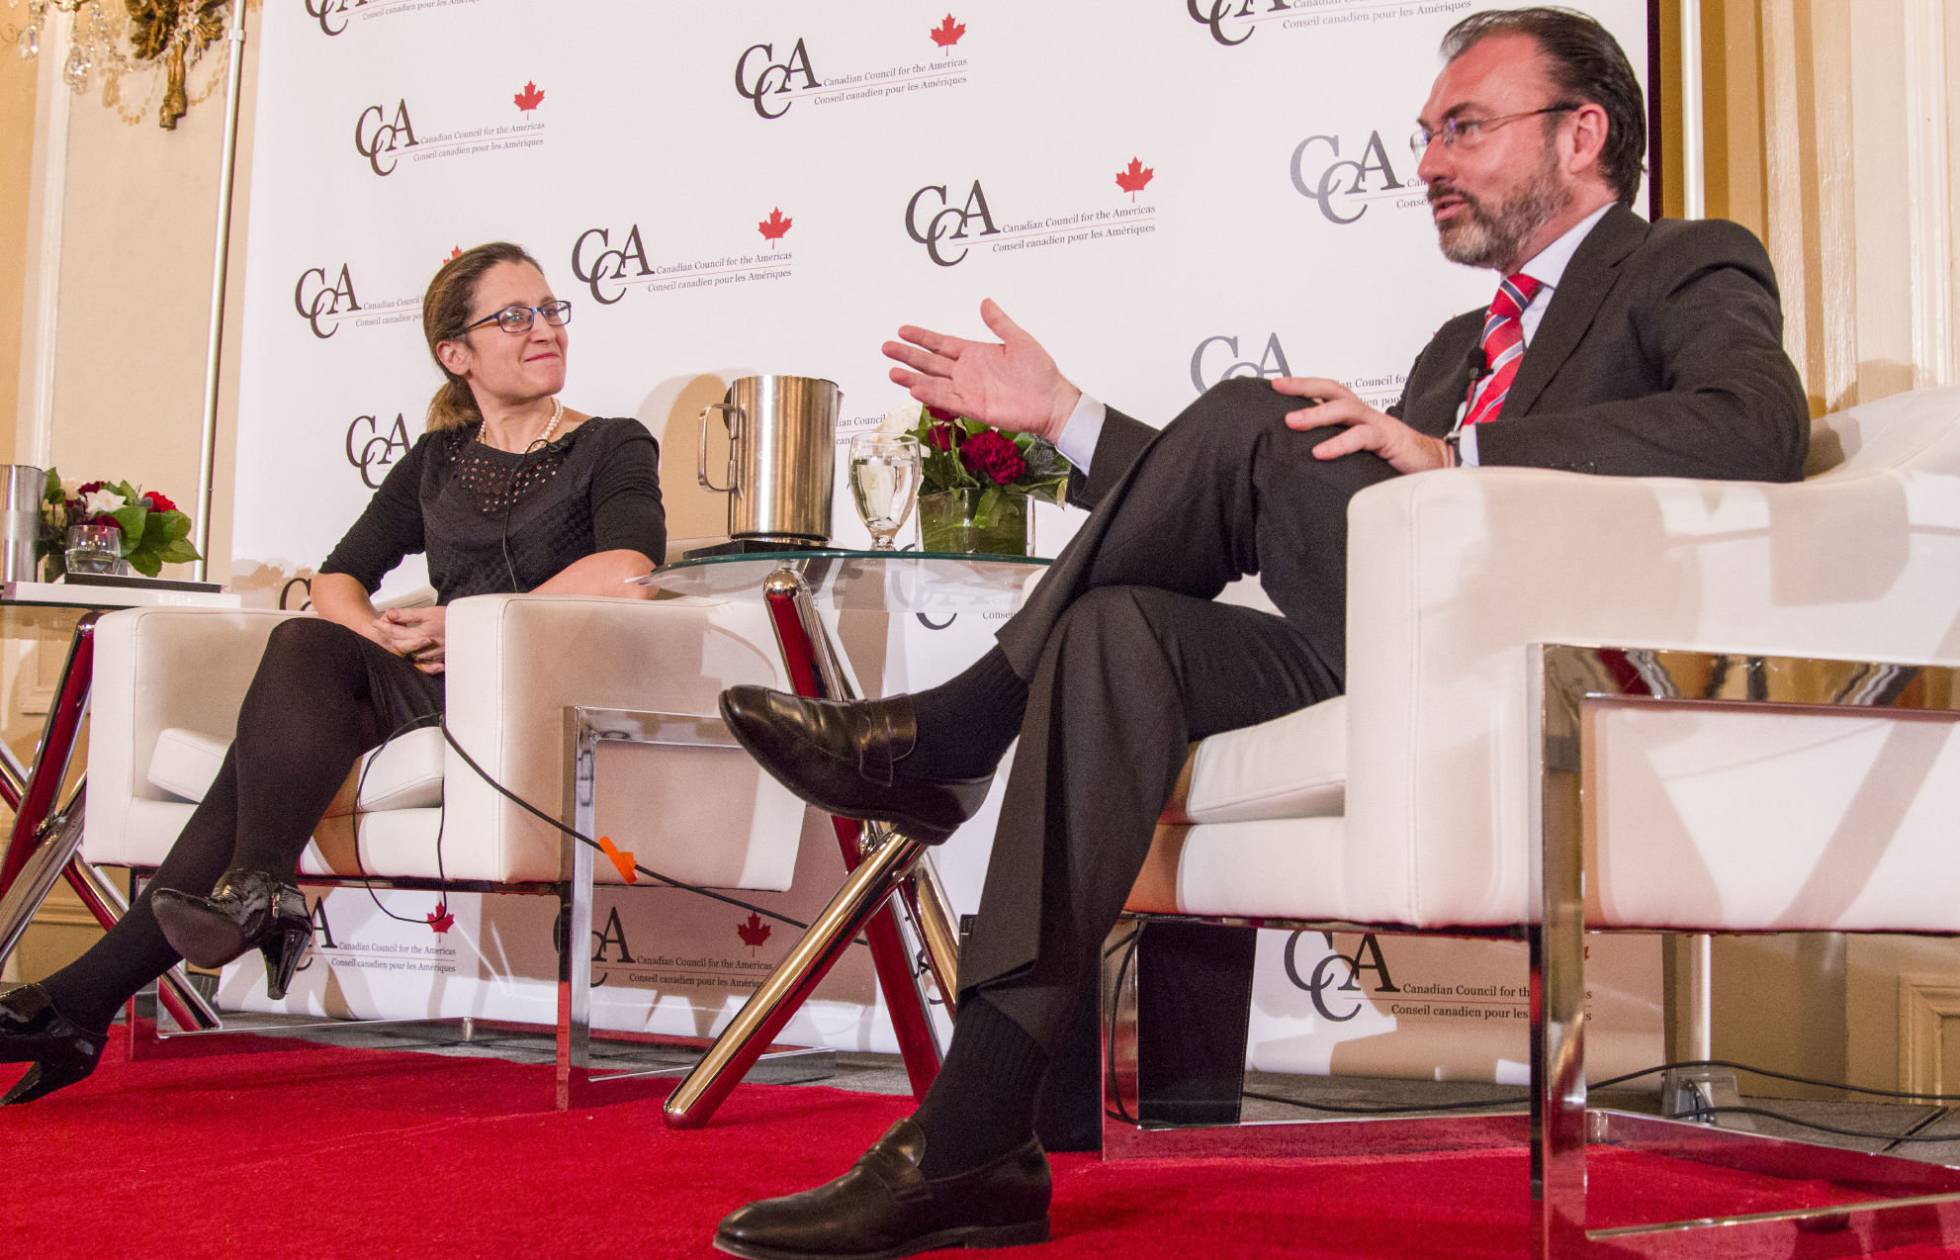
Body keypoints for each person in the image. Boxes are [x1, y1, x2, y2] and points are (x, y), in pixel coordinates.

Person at [711, 8, 1808, 1258]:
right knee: (1117, 634)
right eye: (1423, 135)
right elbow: (1274, 509)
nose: (1428, 164)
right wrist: (1067, 418)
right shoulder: (1464, 340)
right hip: (1400, 641)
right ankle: (976, 1141)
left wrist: (1455, 451)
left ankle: (957, 733)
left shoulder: (1683, 262)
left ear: (1583, 133)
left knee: (1250, 414)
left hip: (1541, 660)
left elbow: (1753, 429)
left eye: (1462, 128)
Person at [0, 241, 666, 1105]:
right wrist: (383, 639)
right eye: (513, 316)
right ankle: (252, 892)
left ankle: (83, 999)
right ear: (455, 354)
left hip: (527, 693)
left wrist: (467, 626)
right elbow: (336, 580)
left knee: (264, 744)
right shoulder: (436, 459)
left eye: (549, 310)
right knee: (310, 643)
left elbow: (627, 569)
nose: (542, 329)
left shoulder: (612, 444)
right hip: (428, 685)